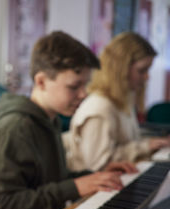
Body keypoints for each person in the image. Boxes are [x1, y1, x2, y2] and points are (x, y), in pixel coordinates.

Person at [0, 31, 137, 209]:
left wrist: (95, 176)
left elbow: (49, 180)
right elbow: (3, 206)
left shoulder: (49, 120)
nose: (83, 94)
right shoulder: (15, 129)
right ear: (41, 81)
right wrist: (75, 186)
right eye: (74, 86)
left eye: (85, 85)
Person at [63, 32, 170, 172]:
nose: (147, 77)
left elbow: (124, 142)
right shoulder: (100, 107)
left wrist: (150, 143)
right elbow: (97, 164)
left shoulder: (121, 100)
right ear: (121, 69)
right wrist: (145, 146)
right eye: (142, 70)